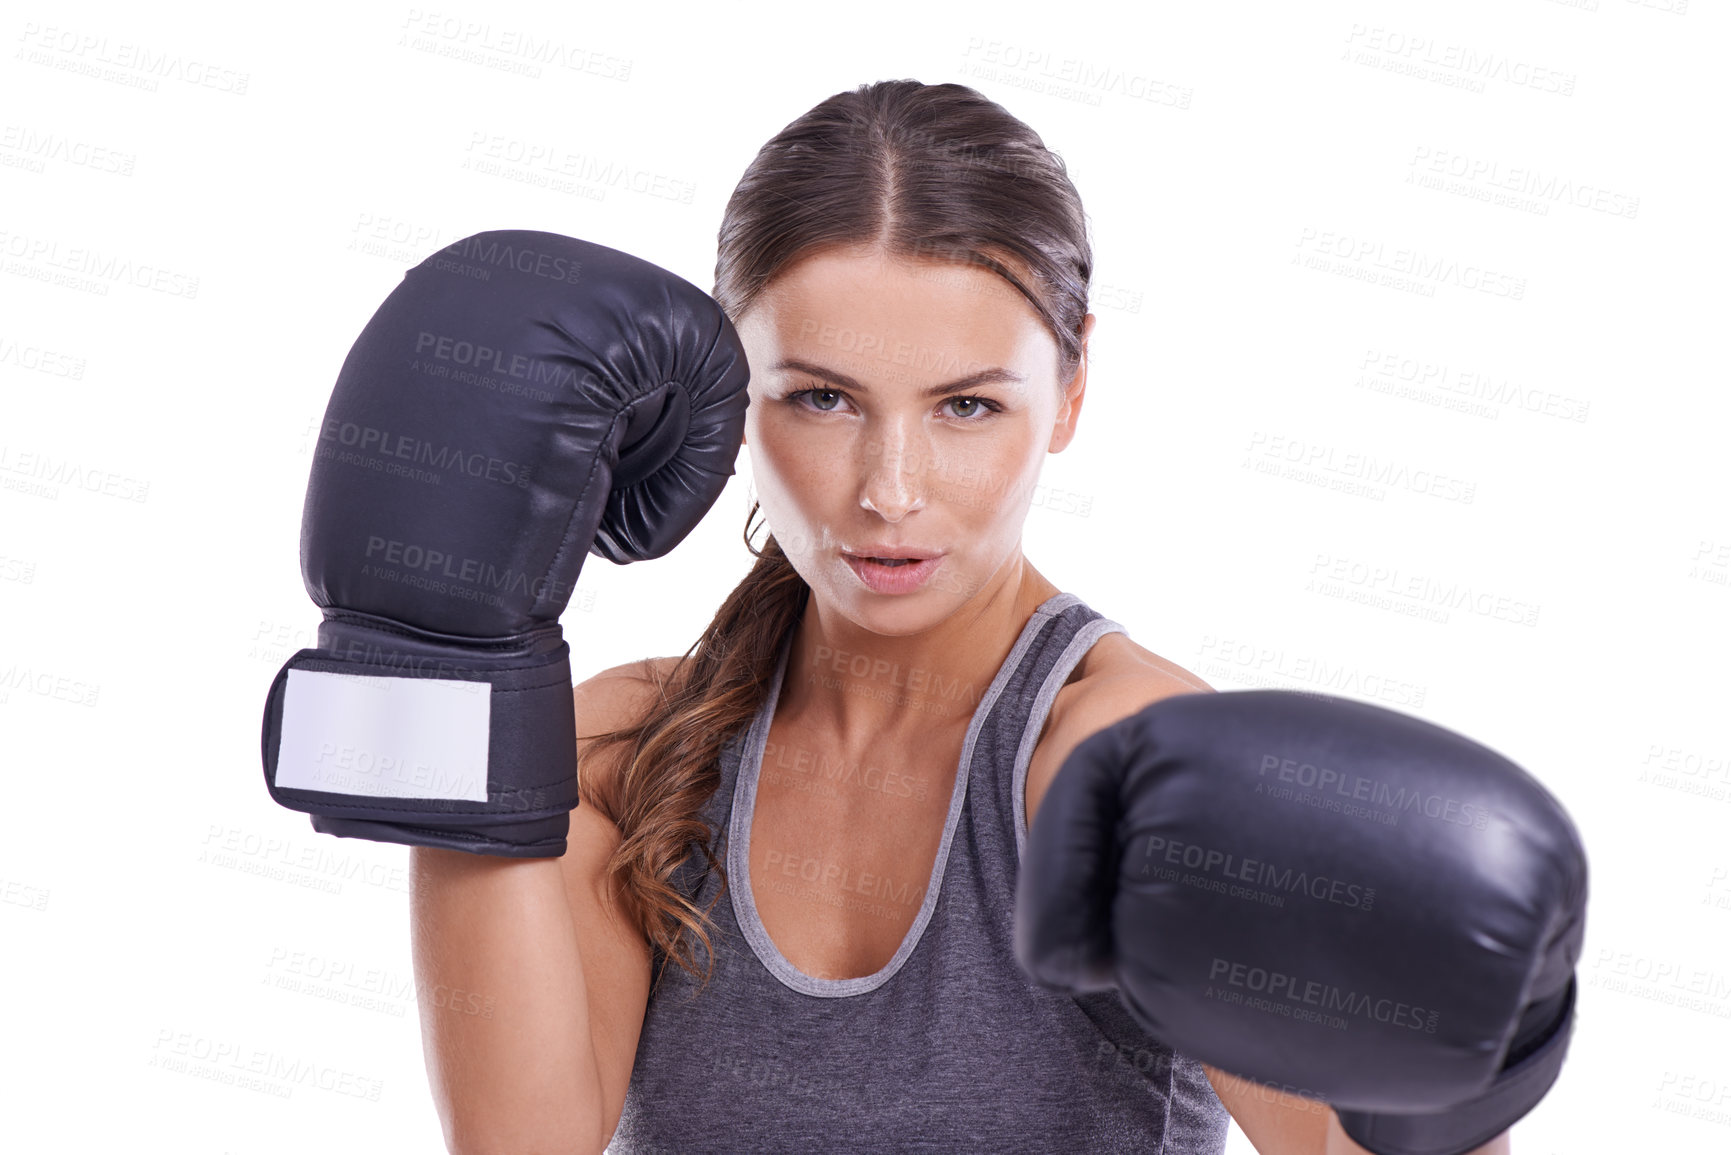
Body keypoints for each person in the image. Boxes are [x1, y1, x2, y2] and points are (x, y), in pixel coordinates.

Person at [404, 81, 1578, 1154]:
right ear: (729, 399)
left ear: (1069, 392)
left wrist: (1463, 1083)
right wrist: (459, 666)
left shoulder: (1110, 761)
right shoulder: (621, 751)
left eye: (967, 405)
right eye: (820, 397)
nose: (891, 489)